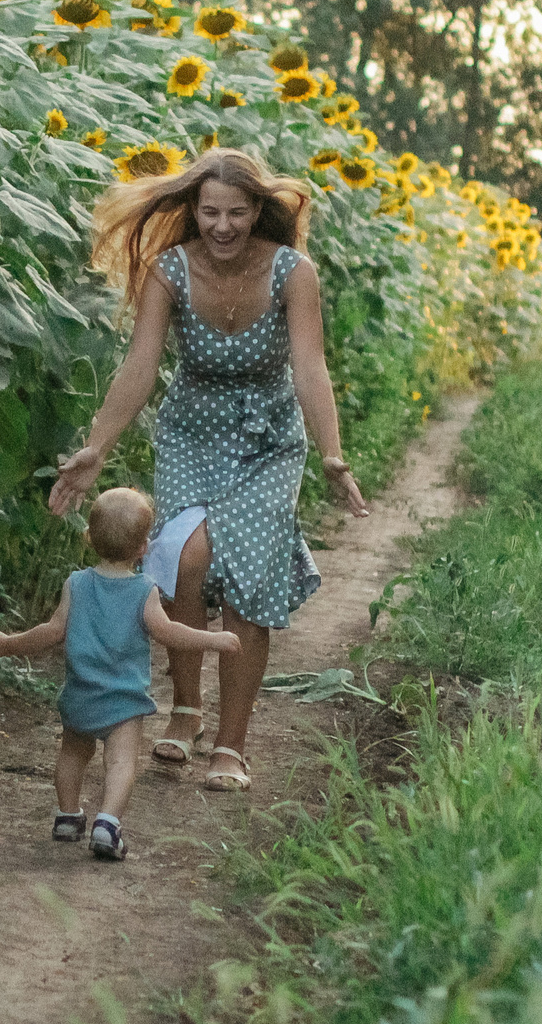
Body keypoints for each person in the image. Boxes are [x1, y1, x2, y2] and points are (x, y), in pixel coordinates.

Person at [46, 148, 370, 793]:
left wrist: (332, 454)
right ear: (192, 210)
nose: (223, 226)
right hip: (190, 435)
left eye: (237, 213)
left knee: (249, 574)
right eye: (210, 212)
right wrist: (97, 449)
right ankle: (188, 709)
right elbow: (141, 366)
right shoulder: (170, 270)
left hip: (268, 441)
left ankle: (232, 744)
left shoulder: (292, 272)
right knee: (183, 558)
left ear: (259, 211)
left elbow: (310, 367)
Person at [0, 487, 240, 861]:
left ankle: (68, 816)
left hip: (80, 695)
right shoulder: (144, 590)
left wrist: (6, 644)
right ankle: (107, 823)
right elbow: (168, 632)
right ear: (143, 547)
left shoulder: (76, 584)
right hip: (123, 703)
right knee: (120, 762)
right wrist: (214, 640)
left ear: (88, 537)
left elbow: (51, 632)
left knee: (73, 755)